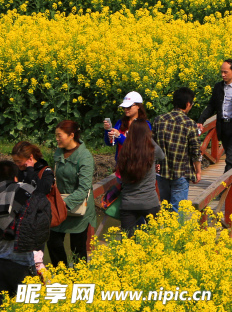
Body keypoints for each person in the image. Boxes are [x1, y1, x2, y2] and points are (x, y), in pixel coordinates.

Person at [2, 145, 51, 297]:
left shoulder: (45, 171)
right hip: (21, 260)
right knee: (25, 301)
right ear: (15, 178)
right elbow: (42, 221)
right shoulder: (27, 192)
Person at [48, 121, 95, 266]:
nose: (56, 138)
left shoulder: (84, 156)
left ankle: (79, 280)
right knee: (52, 241)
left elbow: (83, 188)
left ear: (71, 135)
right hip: (60, 206)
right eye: (56, 135)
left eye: (59, 135)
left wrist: (63, 204)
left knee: (77, 250)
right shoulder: (58, 152)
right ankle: (63, 274)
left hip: (78, 209)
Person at [152, 88, 202, 213]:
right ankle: (176, 232)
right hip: (181, 173)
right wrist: (198, 171)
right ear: (188, 104)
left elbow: (152, 145)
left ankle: (166, 232)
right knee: (178, 211)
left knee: (166, 209)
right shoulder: (190, 123)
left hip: (162, 172)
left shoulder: (159, 120)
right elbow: (195, 151)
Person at [116, 124, 165, 238]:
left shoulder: (124, 153)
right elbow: (162, 156)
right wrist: (149, 139)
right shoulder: (151, 152)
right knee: (155, 240)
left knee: (128, 243)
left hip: (128, 203)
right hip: (149, 202)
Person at [104, 91, 151, 159]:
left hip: (137, 166)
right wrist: (107, 130)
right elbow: (110, 143)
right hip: (120, 166)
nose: (125, 109)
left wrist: (119, 136)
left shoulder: (145, 125)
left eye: (128, 107)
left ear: (138, 106)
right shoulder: (120, 122)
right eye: (124, 107)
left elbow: (138, 147)